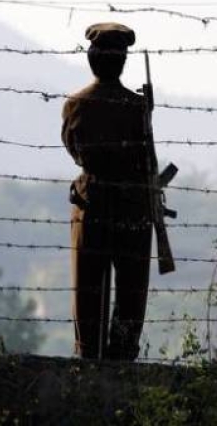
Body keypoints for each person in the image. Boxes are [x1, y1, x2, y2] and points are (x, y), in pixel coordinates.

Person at [61, 22, 151, 360]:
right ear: (123, 61)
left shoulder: (75, 104)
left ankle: (88, 359)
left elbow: (73, 149)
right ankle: (123, 357)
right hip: (131, 206)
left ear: (92, 58)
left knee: (88, 293)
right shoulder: (137, 107)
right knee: (130, 294)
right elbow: (144, 153)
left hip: (91, 203)